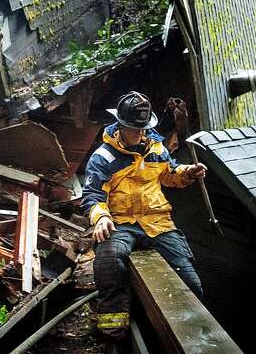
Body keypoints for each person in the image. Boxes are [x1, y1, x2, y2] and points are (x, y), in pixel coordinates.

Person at [81, 91, 207, 339]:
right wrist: (102, 218)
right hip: (121, 222)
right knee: (108, 262)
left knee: (189, 282)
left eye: (144, 129)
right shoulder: (103, 157)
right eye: (135, 130)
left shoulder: (156, 147)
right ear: (121, 125)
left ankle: (184, 334)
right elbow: (93, 195)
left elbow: (169, 173)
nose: (141, 134)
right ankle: (112, 330)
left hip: (157, 221)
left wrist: (188, 172)